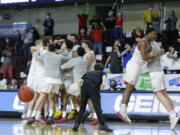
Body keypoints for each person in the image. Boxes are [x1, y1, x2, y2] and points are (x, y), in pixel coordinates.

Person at [116, 28, 164, 123]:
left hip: (139, 67)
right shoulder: (142, 42)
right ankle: (122, 110)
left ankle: (124, 109)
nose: (155, 36)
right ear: (148, 34)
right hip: (133, 66)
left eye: (156, 35)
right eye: (154, 34)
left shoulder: (151, 43)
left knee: (131, 88)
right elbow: (144, 57)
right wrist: (156, 55)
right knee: (129, 87)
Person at [147, 40, 180, 129]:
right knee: (163, 93)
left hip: (155, 73)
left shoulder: (152, 49)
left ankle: (173, 114)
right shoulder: (157, 50)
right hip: (159, 72)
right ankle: (174, 112)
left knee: (158, 94)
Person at [73, 63, 113, 132]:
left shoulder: (88, 73)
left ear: (94, 68)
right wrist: (103, 83)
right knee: (97, 108)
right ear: (102, 68)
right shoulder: (102, 72)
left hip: (84, 89)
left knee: (82, 108)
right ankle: (103, 125)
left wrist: (80, 91)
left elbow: (79, 82)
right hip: (93, 88)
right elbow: (104, 78)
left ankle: (76, 124)